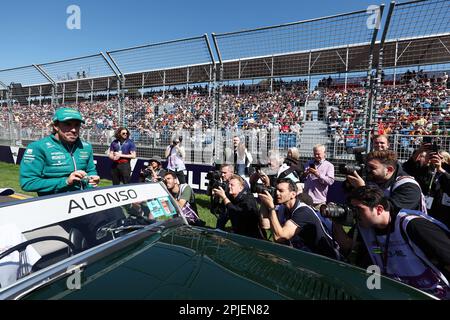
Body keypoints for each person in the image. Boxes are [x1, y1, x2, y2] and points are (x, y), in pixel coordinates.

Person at [334, 186, 450, 299]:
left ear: (379, 209)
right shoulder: (367, 228)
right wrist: (336, 221)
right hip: (402, 292)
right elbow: (351, 246)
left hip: (437, 293)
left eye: (358, 209)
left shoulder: (412, 225)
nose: (354, 214)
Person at [20, 107, 100, 196]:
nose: (73, 130)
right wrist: (66, 181)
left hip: (82, 203)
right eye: (68, 124)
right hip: (53, 205)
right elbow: (28, 183)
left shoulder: (86, 147)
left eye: (77, 125)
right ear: (55, 126)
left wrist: (93, 179)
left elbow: (91, 171)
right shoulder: (37, 147)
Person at [258, 178, 340, 259]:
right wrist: (264, 200)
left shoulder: (303, 211)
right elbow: (265, 224)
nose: (276, 193)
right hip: (305, 257)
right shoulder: (282, 209)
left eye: (281, 191)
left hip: (325, 259)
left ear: (293, 194)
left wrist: (271, 208)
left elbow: (279, 237)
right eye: (276, 190)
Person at [347, 150, 426, 214]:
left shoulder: (409, 187)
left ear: (389, 170)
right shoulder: (375, 179)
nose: (368, 170)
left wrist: (363, 189)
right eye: (367, 167)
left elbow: (388, 211)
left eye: (372, 167)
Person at [402, 144, 450, 226]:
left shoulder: (446, 170)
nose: (433, 158)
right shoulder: (423, 170)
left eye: (439, 157)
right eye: (430, 156)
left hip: (442, 211)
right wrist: (418, 152)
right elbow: (407, 168)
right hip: (423, 209)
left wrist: (441, 169)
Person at [212, 174, 264, 239]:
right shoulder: (231, 196)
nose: (229, 186)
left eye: (232, 185)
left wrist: (224, 198)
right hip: (238, 231)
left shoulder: (248, 200)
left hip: (251, 237)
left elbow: (236, 213)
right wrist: (218, 230)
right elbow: (222, 214)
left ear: (240, 188)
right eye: (229, 184)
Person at [302, 144, 335, 210]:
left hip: (318, 201)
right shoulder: (309, 163)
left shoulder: (329, 166)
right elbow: (302, 178)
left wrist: (317, 174)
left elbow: (330, 181)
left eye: (318, 154)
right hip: (306, 199)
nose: (316, 156)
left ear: (324, 153)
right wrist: (306, 173)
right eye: (315, 154)